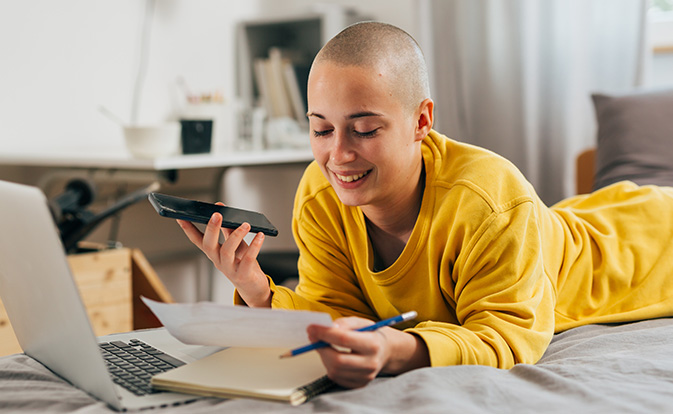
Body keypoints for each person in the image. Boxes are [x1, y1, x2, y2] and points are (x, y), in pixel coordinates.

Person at [178, 21, 673, 389]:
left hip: (652, 243)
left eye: (366, 129)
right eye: (321, 129)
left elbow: (505, 338)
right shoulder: (321, 193)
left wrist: (396, 349)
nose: (339, 154)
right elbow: (333, 311)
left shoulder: (489, 201)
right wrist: (257, 289)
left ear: (421, 122)